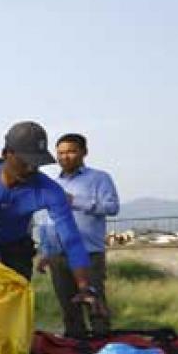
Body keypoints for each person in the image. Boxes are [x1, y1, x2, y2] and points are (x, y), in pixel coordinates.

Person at [0, 121, 94, 298]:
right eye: (25, 161)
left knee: (14, 302)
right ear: (6, 154)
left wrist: (85, 287)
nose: (30, 168)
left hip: (16, 249)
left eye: (37, 163)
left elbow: (71, 239)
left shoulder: (50, 191)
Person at [36, 133, 119, 338]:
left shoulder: (99, 178)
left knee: (95, 304)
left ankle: (102, 349)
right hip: (59, 255)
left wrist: (76, 202)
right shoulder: (52, 184)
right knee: (69, 308)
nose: (65, 157)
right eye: (61, 153)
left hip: (89, 254)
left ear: (84, 152)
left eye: (71, 152)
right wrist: (45, 251)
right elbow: (48, 220)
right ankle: (74, 352)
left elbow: (112, 207)